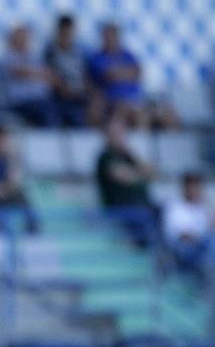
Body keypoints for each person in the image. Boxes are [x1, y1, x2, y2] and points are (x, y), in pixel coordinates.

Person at [95, 118, 156, 246]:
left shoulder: (128, 155)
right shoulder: (105, 157)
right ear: (107, 135)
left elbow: (152, 174)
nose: (119, 136)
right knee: (145, 224)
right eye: (115, 133)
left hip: (143, 205)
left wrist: (132, 155)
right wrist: (140, 174)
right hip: (122, 208)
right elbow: (123, 177)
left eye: (121, 133)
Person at [0, 25, 58, 127]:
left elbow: (50, 75)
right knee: (46, 114)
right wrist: (39, 74)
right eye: (20, 37)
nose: (23, 40)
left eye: (25, 37)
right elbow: (17, 71)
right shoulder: (7, 57)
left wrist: (34, 73)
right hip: (20, 103)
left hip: (42, 101)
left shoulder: (35, 58)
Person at [87, 23, 146, 127]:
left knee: (158, 113)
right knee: (127, 111)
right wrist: (127, 73)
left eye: (112, 36)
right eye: (107, 36)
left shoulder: (128, 55)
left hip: (134, 101)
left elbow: (138, 72)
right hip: (112, 102)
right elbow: (109, 75)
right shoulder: (97, 57)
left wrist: (119, 73)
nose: (110, 39)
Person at [163, 173, 213, 276]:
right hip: (182, 248)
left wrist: (209, 205)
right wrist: (204, 237)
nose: (195, 190)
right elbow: (185, 236)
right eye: (192, 187)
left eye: (198, 187)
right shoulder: (175, 206)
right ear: (185, 188)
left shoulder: (202, 207)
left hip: (204, 248)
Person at [44, 15, 87, 127]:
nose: (67, 35)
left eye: (70, 32)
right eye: (65, 32)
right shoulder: (50, 51)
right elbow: (49, 75)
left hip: (79, 96)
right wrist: (64, 88)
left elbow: (85, 74)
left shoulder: (80, 51)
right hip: (58, 97)